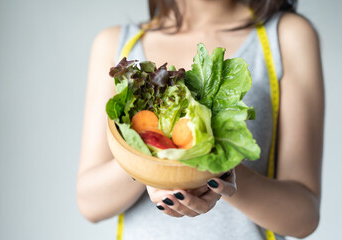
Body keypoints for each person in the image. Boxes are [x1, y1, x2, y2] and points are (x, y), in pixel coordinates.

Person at [77, 0, 324, 239]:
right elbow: (90, 203)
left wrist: (219, 170)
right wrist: (151, 166)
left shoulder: (287, 35)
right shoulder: (115, 44)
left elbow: (304, 217)